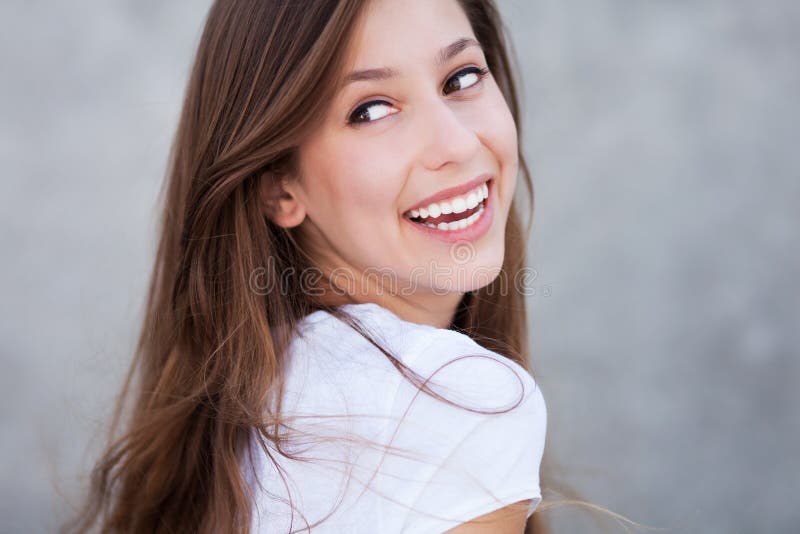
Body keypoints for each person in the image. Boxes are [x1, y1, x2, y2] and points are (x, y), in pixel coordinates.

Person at [63, 1, 552, 532]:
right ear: (278, 185)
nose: (456, 143)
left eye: (461, 77)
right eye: (371, 110)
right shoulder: (463, 404)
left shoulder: (258, 392)